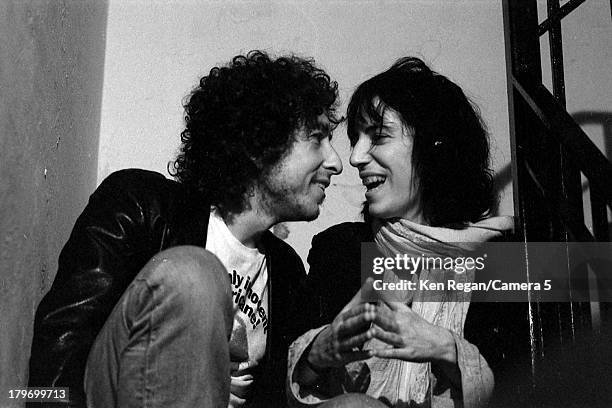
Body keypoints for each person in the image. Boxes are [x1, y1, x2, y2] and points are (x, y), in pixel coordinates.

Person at [27, 50, 343, 408]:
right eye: (318, 139)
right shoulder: (141, 207)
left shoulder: (286, 272)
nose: (336, 162)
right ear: (261, 146)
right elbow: (59, 347)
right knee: (195, 275)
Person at [287, 57, 514, 407]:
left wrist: (447, 350)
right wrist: (316, 355)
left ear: (435, 146)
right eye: (355, 139)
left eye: (377, 136)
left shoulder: (508, 261)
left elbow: (542, 386)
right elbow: (286, 389)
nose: (356, 157)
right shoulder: (341, 250)